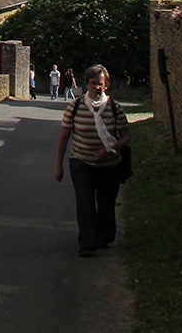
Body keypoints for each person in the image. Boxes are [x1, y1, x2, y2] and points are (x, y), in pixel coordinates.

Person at [54, 63, 130, 256]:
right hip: (81, 161)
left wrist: (111, 148)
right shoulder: (76, 106)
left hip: (109, 164)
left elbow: (126, 136)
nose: (96, 87)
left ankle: (103, 236)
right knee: (84, 201)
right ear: (86, 84)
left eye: (100, 83)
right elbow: (64, 136)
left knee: (105, 202)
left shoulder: (114, 108)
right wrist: (58, 165)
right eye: (93, 82)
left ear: (106, 85)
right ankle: (87, 243)